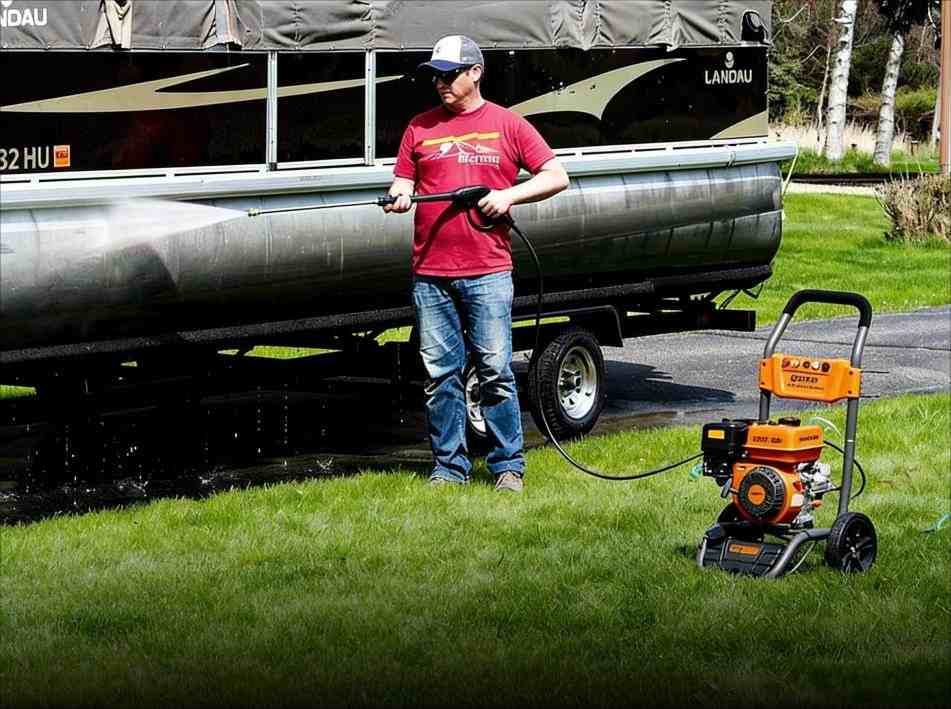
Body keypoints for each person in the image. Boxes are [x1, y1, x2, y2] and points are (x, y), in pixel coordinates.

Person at [383, 35, 569, 492]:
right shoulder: (419, 128)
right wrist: (400, 195)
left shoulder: (507, 124)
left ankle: (508, 467)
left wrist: (508, 196)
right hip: (430, 274)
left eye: (450, 75)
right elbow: (403, 181)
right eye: (435, 77)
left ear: (475, 73)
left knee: (495, 373)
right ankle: (449, 469)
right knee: (439, 376)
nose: (441, 84)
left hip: (488, 272)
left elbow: (556, 175)